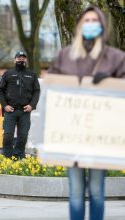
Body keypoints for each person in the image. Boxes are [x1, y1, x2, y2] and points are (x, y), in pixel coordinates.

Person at [48, 6, 125, 220]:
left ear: (101, 25)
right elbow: (51, 90)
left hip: (100, 136)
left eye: (94, 20)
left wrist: (109, 82)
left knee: (97, 191)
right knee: (75, 191)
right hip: (72, 135)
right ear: (80, 25)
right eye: (86, 20)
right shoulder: (64, 56)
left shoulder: (115, 58)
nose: (90, 24)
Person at [0, 51, 40, 159]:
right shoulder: (8, 74)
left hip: (25, 111)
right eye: (19, 58)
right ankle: (7, 157)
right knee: (8, 136)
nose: (21, 59)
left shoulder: (32, 75)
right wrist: (5, 105)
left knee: (23, 136)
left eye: (23, 58)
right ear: (14, 60)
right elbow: (0, 91)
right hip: (10, 110)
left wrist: (31, 105)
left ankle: (18, 156)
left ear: (26, 60)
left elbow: (37, 91)